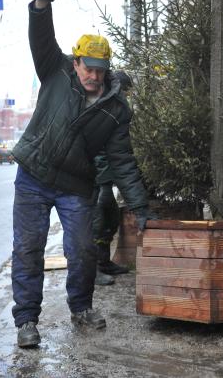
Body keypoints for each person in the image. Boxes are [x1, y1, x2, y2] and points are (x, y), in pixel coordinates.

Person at [11, 0, 151, 348]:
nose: (94, 76)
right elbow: (41, 36)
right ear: (76, 63)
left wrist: (140, 206)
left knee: (83, 250)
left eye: (101, 70)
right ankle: (26, 321)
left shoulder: (116, 109)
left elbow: (122, 161)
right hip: (34, 178)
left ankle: (81, 308)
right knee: (27, 250)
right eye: (88, 68)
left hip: (75, 185)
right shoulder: (55, 71)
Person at [93, 70, 134, 286]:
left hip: (106, 178)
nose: (127, 95)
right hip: (97, 179)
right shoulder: (103, 107)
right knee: (98, 219)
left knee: (110, 217)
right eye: (126, 91)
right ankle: (94, 269)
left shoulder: (117, 110)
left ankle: (105, 261)